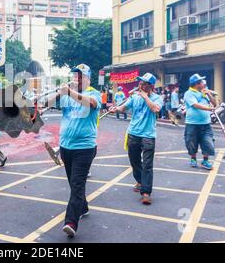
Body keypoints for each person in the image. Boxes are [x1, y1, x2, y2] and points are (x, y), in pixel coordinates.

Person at [45, 64, 101, 238]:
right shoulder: (68, 95)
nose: (76, 78)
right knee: (73, 182)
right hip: (65, 146)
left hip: (84, 148)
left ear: (87, 78)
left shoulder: (94, 93)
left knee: (77, 185)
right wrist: (59, 93)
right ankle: (82, 207)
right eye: (75, 75)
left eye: (80, 76)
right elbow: (46, 103)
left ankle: (71, 222)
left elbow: (91, 103)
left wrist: (69, 92)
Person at [109, 73, 163, 206]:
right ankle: (140, 180)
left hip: (148, 135)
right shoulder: (134, 97)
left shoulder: (157, 98)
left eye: (144, 83)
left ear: (150, 86)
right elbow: (123, 108)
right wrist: (116, 109)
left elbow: (156, 109)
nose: (140, 85)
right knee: (134, 161)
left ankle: (146, 193)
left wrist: (145, 97)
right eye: (140, 83)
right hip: (133, 133)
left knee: (147, 165)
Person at [183, 74, 217, 170]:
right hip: (192, 123)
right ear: (197, 84)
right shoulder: (189, 93)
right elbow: (195, 105)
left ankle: (205, 160)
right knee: (191, 142)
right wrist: (209, 109)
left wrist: (209, 94)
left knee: (208, 142)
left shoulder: (204, 92)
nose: (204, 83)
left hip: (206, 123)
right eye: (202, 82)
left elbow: (214, 103)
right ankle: (193, 158)